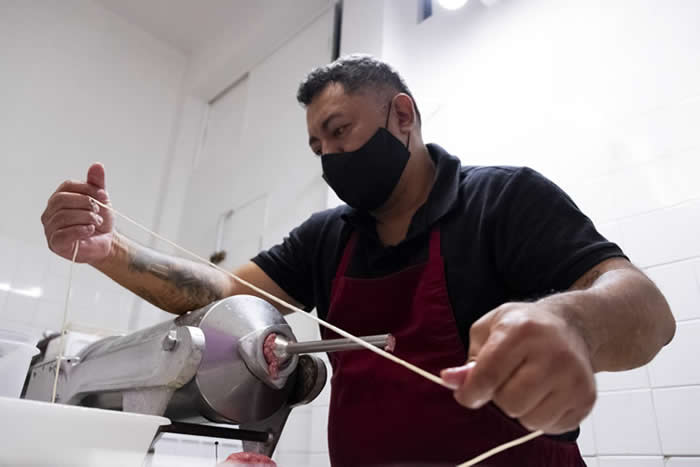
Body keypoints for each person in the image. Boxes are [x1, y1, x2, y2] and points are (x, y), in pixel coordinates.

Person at [40, 55, 675, 467]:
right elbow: (222, 296)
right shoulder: (327, 237)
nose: (329, 157)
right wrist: (110, 251)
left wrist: (574, 324)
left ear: (402, 114)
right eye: (317, 146)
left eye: (339, 132)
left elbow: (644, 306)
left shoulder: (502, 199)